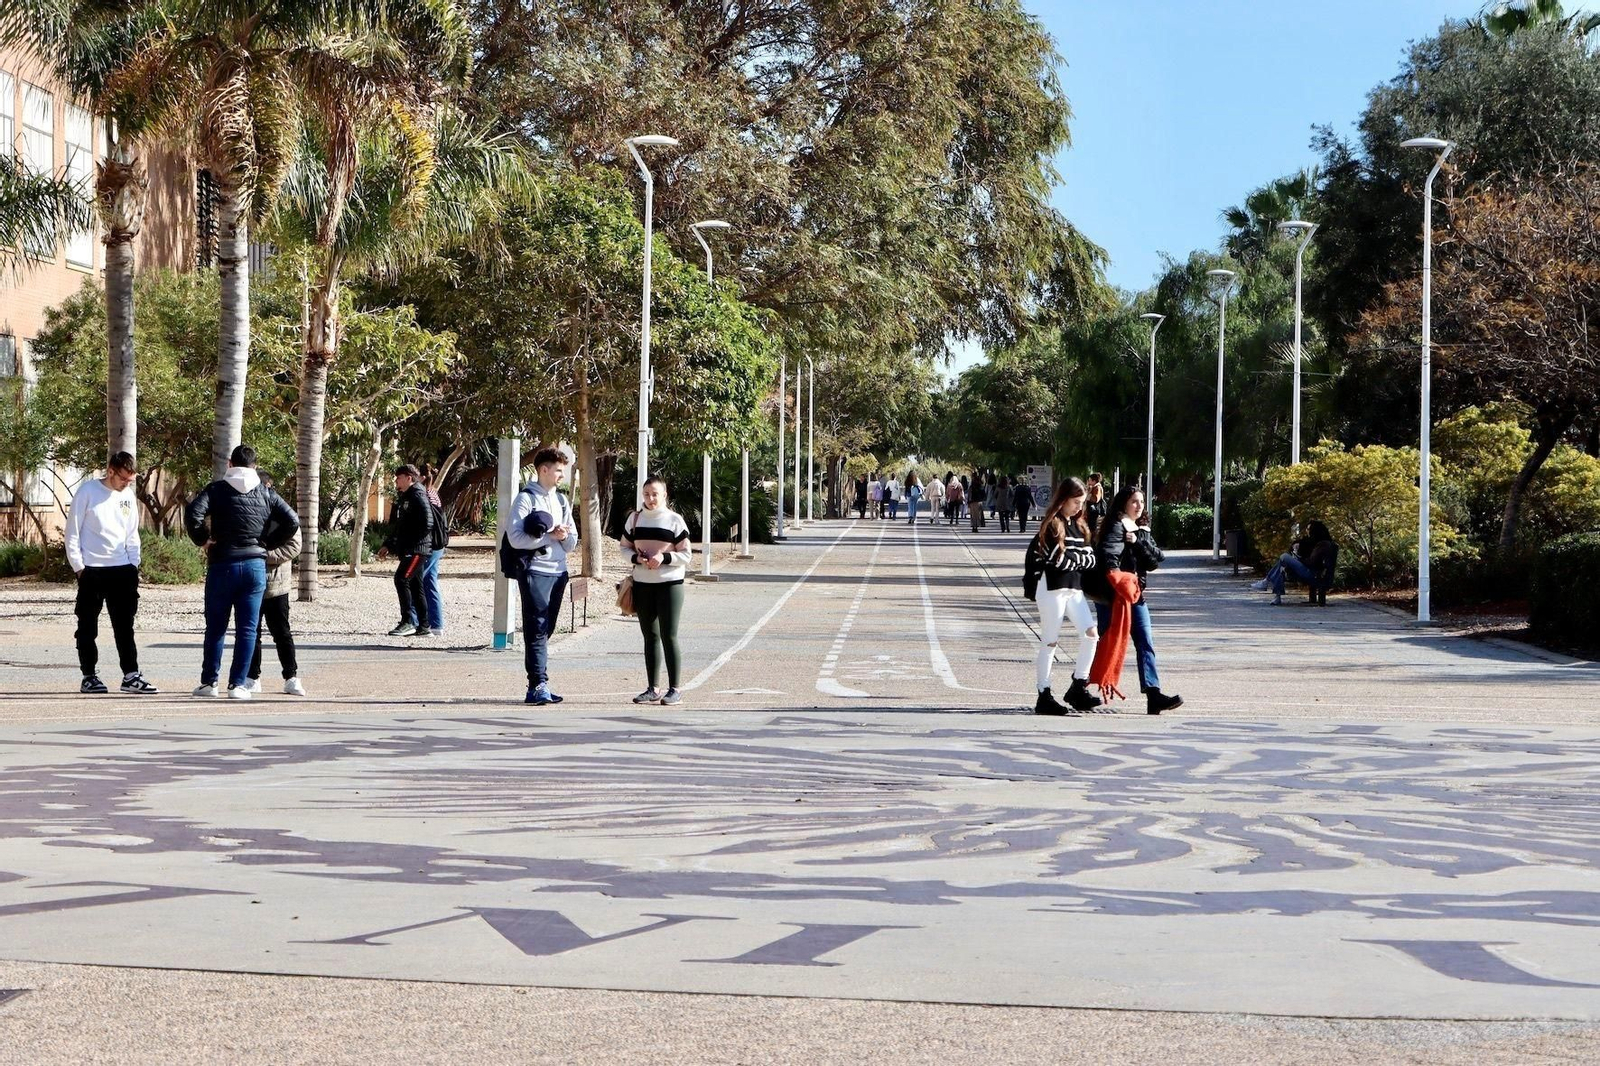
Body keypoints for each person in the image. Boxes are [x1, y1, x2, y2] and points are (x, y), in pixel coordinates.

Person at [185, 444, 299, 700]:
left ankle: (209, 683)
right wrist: (266, 544)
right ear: (254, 466)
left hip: (222, 564)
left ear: (229, 464)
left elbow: (193, 513)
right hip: (254, 567)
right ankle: (238, 685)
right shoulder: (265, 492)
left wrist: (203, 540)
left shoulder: (216, 490)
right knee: (247, 629)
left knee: (216, 627)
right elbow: (292, 520)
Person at [65, 450, 157, 695]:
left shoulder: (127, 497)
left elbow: (131, 534)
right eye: (123, 479)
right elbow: (72, 532)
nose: (126, 484)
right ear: (110, 471)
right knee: (87, 627)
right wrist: (79, 568)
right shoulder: (87, 492)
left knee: (124, 627)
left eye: (130, 480)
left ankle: (131, 675)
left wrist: (133, 565)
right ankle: (89, 676)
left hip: (122, 571)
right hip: (92, 571)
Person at [1089, 485, 1182, 715]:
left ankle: (1153, 694)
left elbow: (1155, 560)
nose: (1139, 506)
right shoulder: (1114, 526)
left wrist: (1137, 541)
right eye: (1134, 501)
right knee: (1106, 642)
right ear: (1123, 504)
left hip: (1135, 595)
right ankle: (1079, 685)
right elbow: (1107, 555)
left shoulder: (1140, 530)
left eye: (1141, 502)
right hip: (1113, 596)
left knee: (1145, 643)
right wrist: (1116, 575)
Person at [505, 447, 578, 705]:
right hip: (535, 571)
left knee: (545, 629)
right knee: (536, 628)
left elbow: (572, 542)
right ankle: (538, 684)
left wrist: (564, 535)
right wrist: (548, 536)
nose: (562, 475)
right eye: (558, 470)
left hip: (559, 573)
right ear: (543, 470)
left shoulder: (561, 501)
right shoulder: (526, 499)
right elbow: (515, 538)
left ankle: (535, 682)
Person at [1022, 477, 1101, 715]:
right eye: (1076, 502)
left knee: (1091, 634)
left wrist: (1074, 558)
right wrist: (1078, 558)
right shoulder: (1053, 525)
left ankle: (1078, 686)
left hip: (1074, 589)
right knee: (1050, 641)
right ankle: (1043, 694)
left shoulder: (1080, 526)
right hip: (1052, 588)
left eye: (1082, 502)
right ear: (1064, 499)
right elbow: (1058, 560)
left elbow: (1091, 559)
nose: (1079, 507)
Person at [621, 474, 693, 705]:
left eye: (655, 494)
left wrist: (665, 558)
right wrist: (636, 559)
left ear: (664, 495)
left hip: (670, 584)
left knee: (668, 635)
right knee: (649, 636)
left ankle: (675, 689)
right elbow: (624, 547)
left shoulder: (674, 520)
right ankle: (653, 688)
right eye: (647, 494)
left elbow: (686, 554)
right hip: (642, 584)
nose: (651, 499)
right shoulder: (635, 519)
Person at [245, 473, 305, 696]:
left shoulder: (284, 514)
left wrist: (265, 555)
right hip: (252, 583)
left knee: (282, 633)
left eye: (267, 488)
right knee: (252, 632)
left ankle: (291, 676)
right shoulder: (249, 511)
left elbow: (294, 545)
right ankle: (252, 677)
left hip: (277, 585)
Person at [377, 465, 434, 637]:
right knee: (416, 586)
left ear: (409, 478)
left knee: (401, 579)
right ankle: (424, 627)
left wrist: (413, 543)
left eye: (398, 477)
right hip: (411, 549)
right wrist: (389, 544)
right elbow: (400, 525)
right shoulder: (406, 496)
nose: (396, 481)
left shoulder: (418, 494)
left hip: (417, 550)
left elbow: (428, 522)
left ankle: (408, 621)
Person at [1254, 521, 1338, 606]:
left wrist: (1298, 559)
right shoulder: (1318, 542)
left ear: (1315, 530)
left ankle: (1267, 582)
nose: (1307, 531)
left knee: (1284, 556)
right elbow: (1306, 550)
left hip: (1312, 574)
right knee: (1281, 567)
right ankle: (1277, 596)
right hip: (1312, 571)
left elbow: (1312, 562)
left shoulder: (1322, 545)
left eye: (1309, 529)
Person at [419, 464, 449, 635]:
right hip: (439, 544)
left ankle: (416, 621)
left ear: (422, 478)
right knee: (430, 582)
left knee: (415, 581)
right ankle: (436, 624)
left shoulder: (423, 496)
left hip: (430, 545)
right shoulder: (434, 494)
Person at [1084, 473, 1107, 541]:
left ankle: (1092, 541)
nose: (1088, 482)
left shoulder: (1097, 488)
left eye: (1090, 480)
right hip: (1092, 511)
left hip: (1094, 511)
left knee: (1093, 527)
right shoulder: (1093, 488)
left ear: (1094, 481)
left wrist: (1088, 496)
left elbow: (1096, 499)